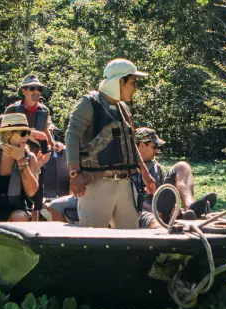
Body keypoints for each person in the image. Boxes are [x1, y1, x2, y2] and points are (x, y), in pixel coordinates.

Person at [61, 59, 156, 228]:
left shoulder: (123, 108)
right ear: (120, 81)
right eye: (133, 82)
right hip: (97, 184)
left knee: (130, 241)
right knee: (92, 242)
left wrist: (145, 173)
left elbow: (130, 143)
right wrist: (75, 174)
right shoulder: (88, 103)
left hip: (125, 185)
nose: (135, 88)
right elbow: (72, 136)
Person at [133, 127, 218, 228]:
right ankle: (165, 226)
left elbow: (165, 193)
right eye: (154, 146)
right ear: (142, 145)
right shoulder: (125, 168)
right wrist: (147, 207)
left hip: (159, 207)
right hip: (140, 211)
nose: (157, 150)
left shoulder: (156, 167)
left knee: (182, 166)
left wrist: (176, 208)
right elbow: (123, 199)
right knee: (149, 218)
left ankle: (190, 208)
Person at [4, 75, 61, 152]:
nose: (37, 92)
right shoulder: (13, 109)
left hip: (37, 156)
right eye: (32, 88)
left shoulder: (44, 111)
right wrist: (28, 134)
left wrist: (54, 144)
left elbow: (45, 130)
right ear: (24, 91)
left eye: (39, 89)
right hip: (15, 154)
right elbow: (5, 133)